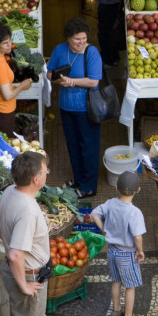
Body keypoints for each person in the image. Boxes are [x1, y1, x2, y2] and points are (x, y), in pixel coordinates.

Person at [0, 152, 50, 316]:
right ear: (35, 179)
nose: (47, 174)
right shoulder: (27, 210)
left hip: (14, 271)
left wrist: (7, 237)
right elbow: (16, 255)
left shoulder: (9, 192)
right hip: (28, 275)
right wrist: (24, 285)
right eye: (45, 171)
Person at [46, 18, 103, 199]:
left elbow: (93, 81)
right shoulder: (59, 50)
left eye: (84, 38)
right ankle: (78, 179)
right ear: (68, 38)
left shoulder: (92, 53)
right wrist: (59, 80)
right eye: (77, 39)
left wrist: (72, 82)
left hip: (87, 109)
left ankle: (88, 186)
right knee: (73, 145)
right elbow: (49, 73)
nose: (81, 42)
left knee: (89, 147)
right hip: (66, 107)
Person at [91, 171, 147, 316]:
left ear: (116, 188)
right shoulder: (134, 213)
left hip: (112, 251)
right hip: (127, 254)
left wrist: (104, 229)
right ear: (138, 190)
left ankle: (116, 311)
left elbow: (94, 213)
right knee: (130, 286)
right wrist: (140, 251)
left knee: (116, 281)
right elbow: (137, 237)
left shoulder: (110, 204)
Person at [0, 23, 32, 135]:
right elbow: (7, 95)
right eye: (5, 43)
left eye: (10, 41)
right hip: (3, 113)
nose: (9, 45)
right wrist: (22, 86)